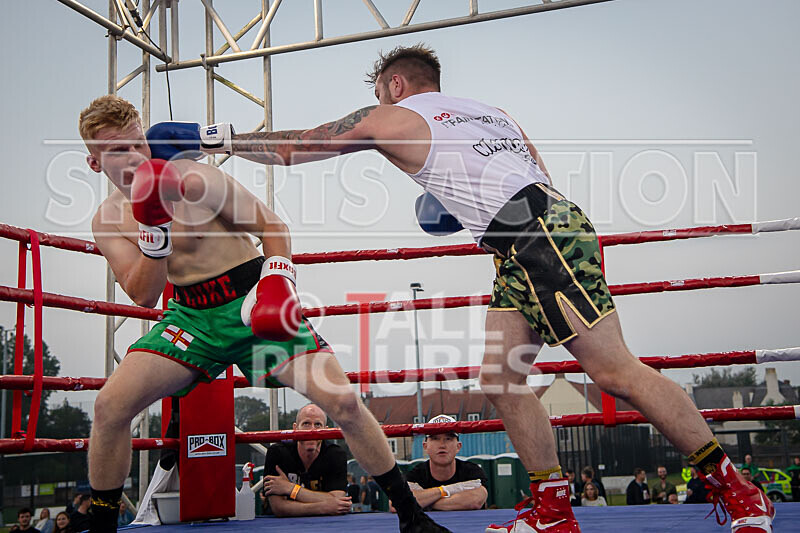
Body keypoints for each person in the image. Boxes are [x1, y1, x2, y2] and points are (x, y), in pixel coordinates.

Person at [149, 43, 776, 533]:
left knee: (614, 371)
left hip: (535, 238)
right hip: (528, 234)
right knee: (502, 379)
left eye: (380, 94)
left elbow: (302, 146)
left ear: (394, 86)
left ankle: (737, 488)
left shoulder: (390, 113)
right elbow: (538, 175)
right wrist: (469, 209)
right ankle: (552, 505)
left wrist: (216, 139)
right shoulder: (490, 113)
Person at [79, 95, 447, 533]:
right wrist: (153, 231)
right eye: (117, 150)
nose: (135, 156)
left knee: (345, 402)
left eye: (138, 142)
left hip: (253, 299)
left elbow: (272, 228)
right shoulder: (108, 219)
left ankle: (411, 515)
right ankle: (101, 527)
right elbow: (143, 294)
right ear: (95, 163)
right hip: (192, 318)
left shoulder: (195, 178)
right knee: (108, 407)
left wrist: (276, 282)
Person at [262, 404, 350, 516]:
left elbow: (337, 500)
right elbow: (279, 507)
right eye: (306, 424)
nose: (312, 430)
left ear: (326, 430)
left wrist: (290, 488)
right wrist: (323, 507)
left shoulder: (335, 454)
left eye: (317, 424)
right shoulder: (277, 453)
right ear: (295, 428)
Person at [402, 415, 488, 511]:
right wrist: (448, 490)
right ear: (425, 446)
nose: (442, 445)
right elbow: (396, 503)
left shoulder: (472, 471)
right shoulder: (416, 474)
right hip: (427, 526)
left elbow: (475, 501)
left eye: (448, 439)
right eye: (435, 438)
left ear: (458, 446)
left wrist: (424, 501)